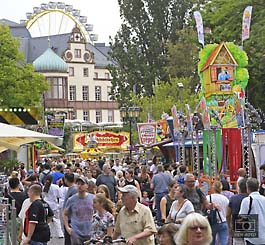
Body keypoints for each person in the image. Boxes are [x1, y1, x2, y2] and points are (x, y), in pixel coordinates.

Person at [63, 176, 94, 245]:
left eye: (82, 184)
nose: (79, 186)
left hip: (90, 231)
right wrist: (67, 227)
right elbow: (65, 213)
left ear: (87, 186)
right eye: (78, 184)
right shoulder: (71, 200)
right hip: (76, 232)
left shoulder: (93, 198)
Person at [239, 177, 265, 245]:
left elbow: (241, 218)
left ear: (247, 188)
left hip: (252, 237)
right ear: (258, 187)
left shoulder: (247, 200)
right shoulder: (264, 199)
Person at [226, 179, 248, 245]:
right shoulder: (251, 198)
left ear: (239, 187)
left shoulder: (233, 198)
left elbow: (228, 214)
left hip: (237, 227)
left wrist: (229, 227)